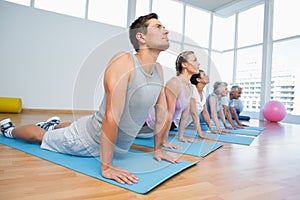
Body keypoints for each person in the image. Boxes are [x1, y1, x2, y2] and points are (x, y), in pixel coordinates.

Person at [0, 13, 179, 185]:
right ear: (141, 37)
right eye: (158, 26)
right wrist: (107, 167)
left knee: (74, 125)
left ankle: (52, 124)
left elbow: (161, 113)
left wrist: (159, 149)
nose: (166, 31)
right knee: (41, 137)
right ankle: (8, 129)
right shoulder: (124, 61)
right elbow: (112, 115)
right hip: (87, 140)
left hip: (108, 137)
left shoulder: (158, 69)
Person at [139, 51, 210, 148]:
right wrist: (164, 141)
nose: (198, 63)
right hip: (145, 124)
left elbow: (184, 115)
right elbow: (168, 114)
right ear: (184, 64)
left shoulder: (189, 87)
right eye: (194, 60)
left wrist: (181, 136)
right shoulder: (175, 83)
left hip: (155, 128)